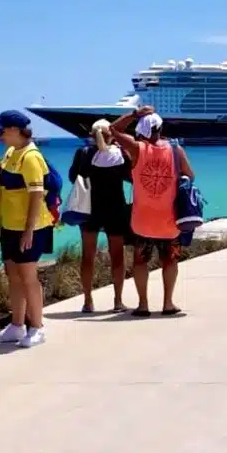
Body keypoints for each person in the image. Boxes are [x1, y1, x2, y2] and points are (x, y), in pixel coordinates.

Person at [111, 106, 194, 317]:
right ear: (161, 129)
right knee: (170, 260)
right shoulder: (176, 151)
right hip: (170, 220)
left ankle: (143, 304)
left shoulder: (137, 148)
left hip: (143, 220)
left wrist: (135, 113)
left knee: (140, 261)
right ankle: (168, 303)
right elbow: (190, 176)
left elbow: (113, 129)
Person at [0, 110, 54, 348]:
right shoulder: (9, 153)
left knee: (28, 277)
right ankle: (17, 325)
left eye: (1, 131)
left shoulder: (31, 156)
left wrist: (28, 230)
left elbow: (36, 194)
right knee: (13, 276)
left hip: (31, 227)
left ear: (15, 130)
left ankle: (37, 327)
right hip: (9, 225)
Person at [68, 119, 131, 313]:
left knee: (88, 256)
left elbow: (73, 177)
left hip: (90, 209)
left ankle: (88, 301)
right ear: (110, 135)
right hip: (115, 208)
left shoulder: (83, 153)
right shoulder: (119, 154)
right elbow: (129, 176)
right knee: (117, 257)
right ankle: (118, 301)